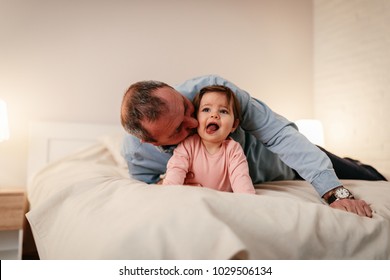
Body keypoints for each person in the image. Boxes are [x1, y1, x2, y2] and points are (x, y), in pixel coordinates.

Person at [121, 74, 387, 218]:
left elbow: (279, 134)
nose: (194, 121)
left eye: (187, 107)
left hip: (283, 161)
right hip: (256, 179)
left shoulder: (216, 92)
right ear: (150, 141)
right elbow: (150, 186)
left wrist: (333, 191)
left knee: (366, 175)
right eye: (178, 129)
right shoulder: (137, 155)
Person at [162, 85, 256, 194]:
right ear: (196, 118)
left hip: (219, 199)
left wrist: (247, 198)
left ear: (234, 125)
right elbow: (176, 170)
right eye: (206, 109)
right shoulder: (188, 145)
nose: (214, 115)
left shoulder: (233, 150)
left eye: (223, 111)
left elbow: (241, 178)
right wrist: (168, 191)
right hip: (191, 197)